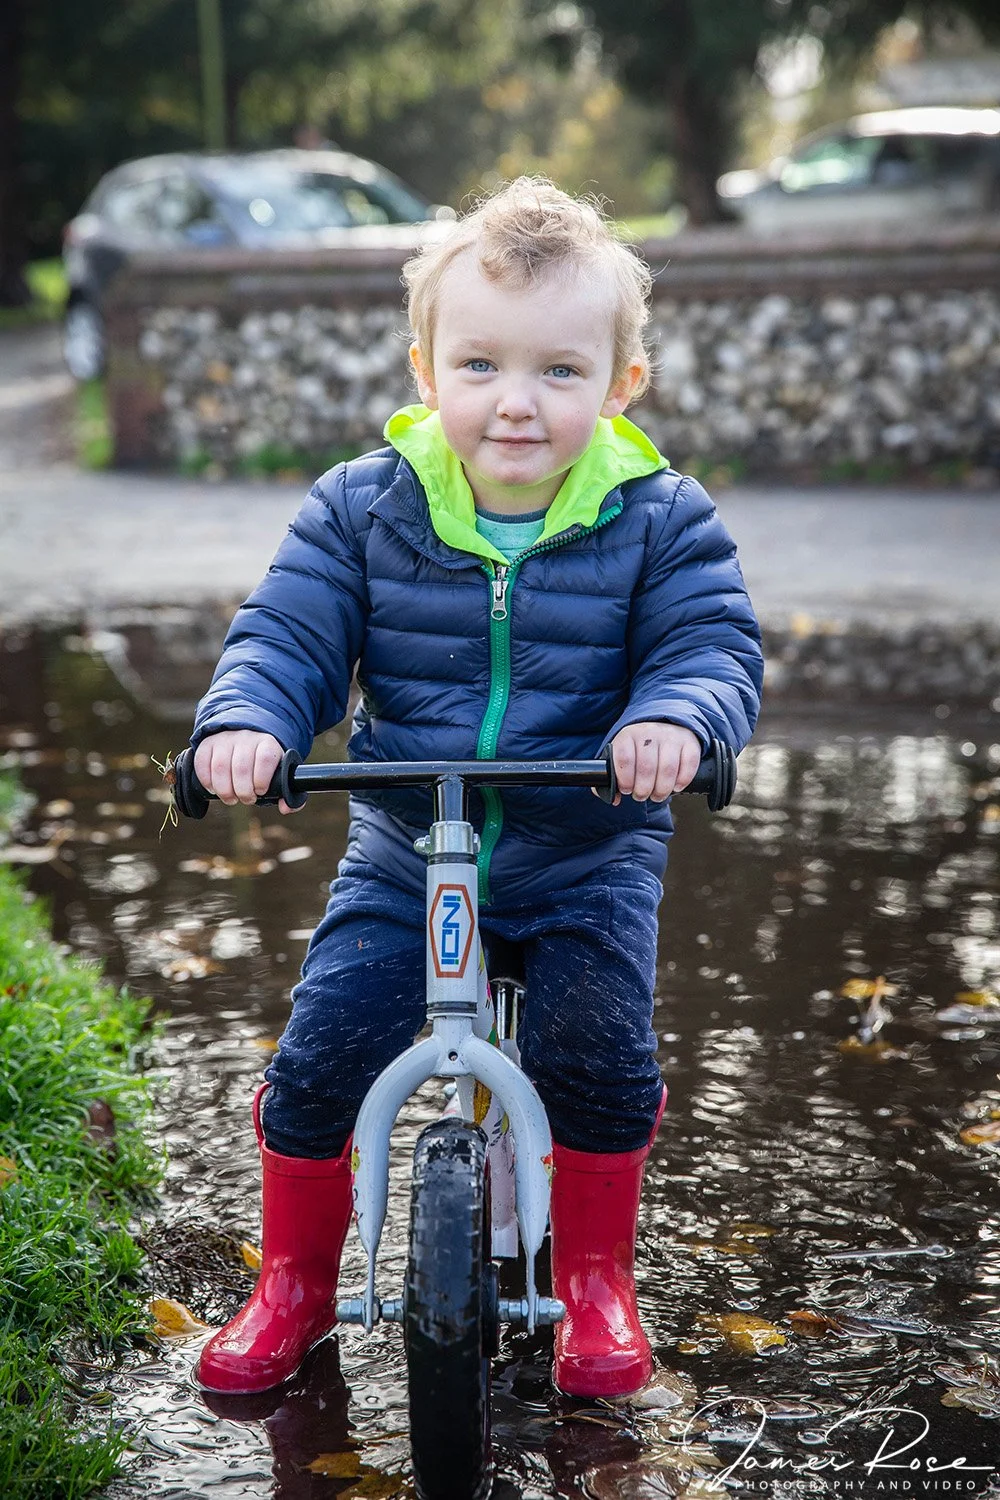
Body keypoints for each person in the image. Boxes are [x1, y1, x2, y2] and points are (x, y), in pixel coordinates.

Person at [188, 176, 763, 1399]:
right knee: (323, 1052)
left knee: (596, 1049)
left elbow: (709, 644)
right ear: (425, 369)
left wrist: (672, 720)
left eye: (560, 372)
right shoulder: (361, 508)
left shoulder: (659, 519)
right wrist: (246, 723)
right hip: (408, 847)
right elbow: (286, 637)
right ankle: (292, 1284)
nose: (516, 403)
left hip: (586, 845)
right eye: (481, 366)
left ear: (621, 387)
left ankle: (599, 1280)